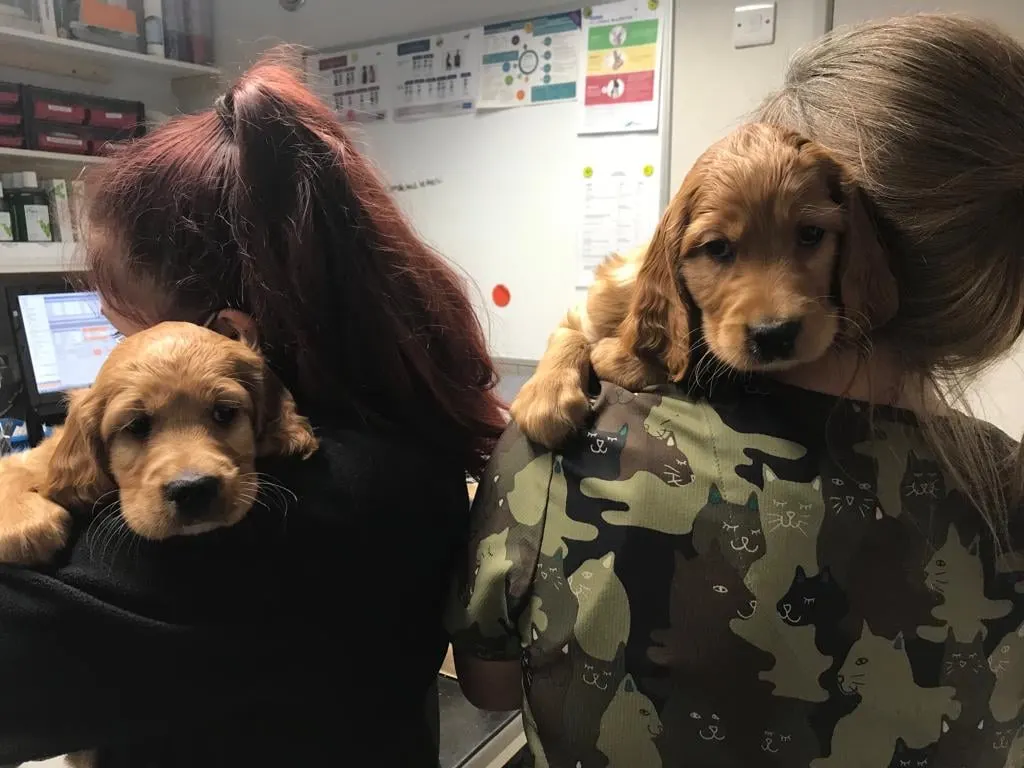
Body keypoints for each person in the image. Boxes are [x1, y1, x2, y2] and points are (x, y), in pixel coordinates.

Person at [449, 14, 1024, 768]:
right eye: (720, 250)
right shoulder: (1007, 496)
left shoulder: (559, 453)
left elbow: (489, 686)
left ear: (864, 245)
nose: (772, 306)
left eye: (810, 236)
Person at [0, 58, 505, 767]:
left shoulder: (298, 514)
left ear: (228, 336)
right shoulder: (391, 433)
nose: (117, 359)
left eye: (123, 333)